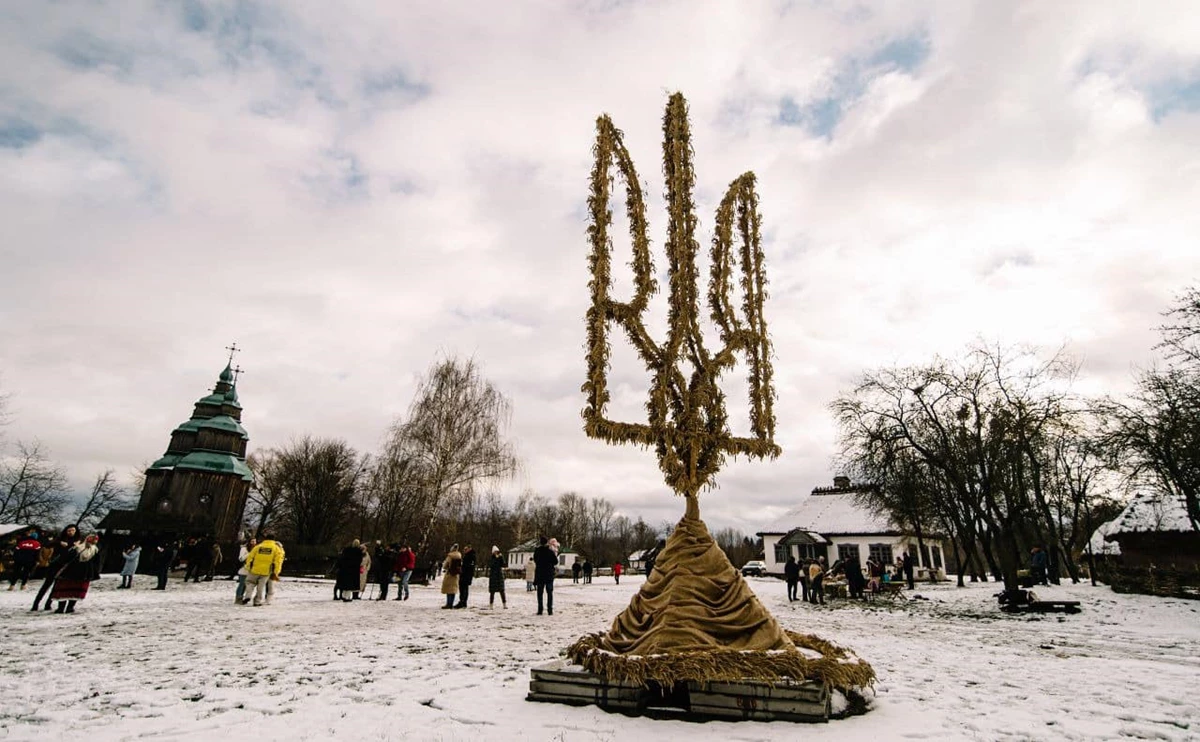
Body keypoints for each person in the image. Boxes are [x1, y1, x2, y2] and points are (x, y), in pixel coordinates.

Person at [32, 524, 82, 611]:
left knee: (56, 587)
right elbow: (47, 544)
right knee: (46, 585)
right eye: (69, 531)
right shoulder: (61, 539)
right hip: (55, 565)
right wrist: (59, 543)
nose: (71, 532)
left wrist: (77, 546)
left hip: (66, 567)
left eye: (73, 530)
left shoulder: (78, 541)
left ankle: (48, 604)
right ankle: (36, 604)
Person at [49, 534, 102, 613]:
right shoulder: (95, 550)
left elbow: (66, 558)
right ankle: (70, 607)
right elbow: (96, 563)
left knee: (64, 588)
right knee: (77, 590)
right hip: (84, 573)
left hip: (70, 571)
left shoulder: (78, 547)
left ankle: (61, 608)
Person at [243, 532, 285, 606]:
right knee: (260, 587)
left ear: (265, 539)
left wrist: (248, 566)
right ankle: (257, 601)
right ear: (274, 539)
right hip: (266, 572)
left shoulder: (258, 546)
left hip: (254, 569)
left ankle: (248, 596)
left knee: (250, 583)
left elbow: (250, 557)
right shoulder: (276, 548)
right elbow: (278, 561)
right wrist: (276, 572)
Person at [533, 536, 558, 616]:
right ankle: (549, 609)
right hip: (549, 574)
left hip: (540, 574)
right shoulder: (550, 552)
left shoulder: (537, 551)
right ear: (546, 542)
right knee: (549, 592)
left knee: (540, 593)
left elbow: (535, 560)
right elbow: (555, 561)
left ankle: (540, 609)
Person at [235, 537, 256, 605]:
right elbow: (241, 559)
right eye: (252, 541)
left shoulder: (256, 549)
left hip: (252, 570)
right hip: (243, 569)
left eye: (255, 541)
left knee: (248, 585)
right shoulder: (244, 549)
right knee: (242, 584)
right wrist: (249, 553)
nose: (254, 543)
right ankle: (238, 598)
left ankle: (243, 597)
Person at [441, 544, 462, 609]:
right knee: (453, 589)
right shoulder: (459, 556)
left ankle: (448, 603)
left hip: (450, 574)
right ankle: (451, 603)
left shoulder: (450, 556)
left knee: (448, 589)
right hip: (456, 575)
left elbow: (445, 565)